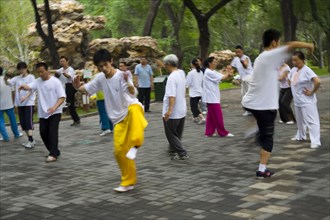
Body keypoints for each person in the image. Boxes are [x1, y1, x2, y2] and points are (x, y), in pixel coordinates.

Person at [242, 29, 314, 179]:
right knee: (268, 140)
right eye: (278, 42)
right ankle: (262, 170)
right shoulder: (270, 55)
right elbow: (293, 44)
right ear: (274, 42)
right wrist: (309, 45)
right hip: (264, 107)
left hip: (251, 103)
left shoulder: (261, 57)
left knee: (263, 129)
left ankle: (257, 133)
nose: (280, 45)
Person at [73, 49, 148, 193]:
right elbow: (87, 89)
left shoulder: (122, 75)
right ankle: (128, 181)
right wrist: (77, 87)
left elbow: (133, 93)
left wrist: (129, 83)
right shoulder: (100, 78)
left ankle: (136, 145)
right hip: (118, 119)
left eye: (105, 65)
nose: (104, 68)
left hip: (131, 110)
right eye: (100, 66)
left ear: (111, 61)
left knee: (135, 111)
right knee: (119, 151)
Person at [19, 62, 66, 163]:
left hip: (55, 111)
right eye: (38, 72)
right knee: (43, 132)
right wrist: (23, 86)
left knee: (52, 132)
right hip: (43, 112)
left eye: (42, 72)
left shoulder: (55, 82)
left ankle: (53, 154)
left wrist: (54, 107)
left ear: (47, 71)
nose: (40, 74)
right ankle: (54, 151)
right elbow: (29, 87)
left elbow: (62, 97)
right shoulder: (38, 81)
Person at [288, 51, 321, 149]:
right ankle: (300, 136)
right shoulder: (294, 70)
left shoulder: (307, 70)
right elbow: (290, 80)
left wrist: (312, 92)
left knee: (312, 121)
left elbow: (318, 81)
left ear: (302, 60)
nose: (294, 62)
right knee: (300, 121)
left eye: (296, 60)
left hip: (307, 101)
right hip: (297, 101)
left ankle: (316, 141)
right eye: (293, 60)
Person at [162, 54, 189, 160]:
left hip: (173, 112)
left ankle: (182, 152)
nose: (164, 66)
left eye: (165, 64)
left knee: (171, 134)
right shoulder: (181, 73)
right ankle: (172, 150)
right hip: (182, 109)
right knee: (177, 133)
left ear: (168, 64)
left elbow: (171, 95)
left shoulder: (171, 78)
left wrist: (169, 110)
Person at [6, 62, 36, 148]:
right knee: (23, 123)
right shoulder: (17, 78)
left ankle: (30, 140)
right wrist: (5, 77)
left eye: (22, 68)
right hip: (20, 104)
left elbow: (32, 89)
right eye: (19, 69)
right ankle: (31, 140)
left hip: (29, 103)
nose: (21, 70)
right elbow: (9, 83)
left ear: (26, 68)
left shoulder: (31, 77)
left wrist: (25, 97)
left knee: (28, 122)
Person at [202, 57, 234, 138]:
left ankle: (209, 132)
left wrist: (228, 72)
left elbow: (223, 76)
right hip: (212, 97)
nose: (216, 62)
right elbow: (223, 77)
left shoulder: (212, 71)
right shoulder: (209, 72)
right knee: (217, 115)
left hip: (212, 97)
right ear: (210, 63)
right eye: (214, 61)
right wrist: (228, 72)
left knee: (211, 116)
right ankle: (222, 132)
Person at [55, 56, 80, 126]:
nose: (62, 63)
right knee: (70, 106)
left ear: (67, 61)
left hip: (70, 87)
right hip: (63, 88)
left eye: (63, 61)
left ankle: (76, 118)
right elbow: (56, 75)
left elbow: (69, 77)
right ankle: (76, 119)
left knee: (70, 104)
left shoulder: (70, 69)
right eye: (61, 61)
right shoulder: (60, 70)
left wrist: (64, 73)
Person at [0, 67, 22, 141]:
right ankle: (16, 134)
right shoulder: (9, 81)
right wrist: (13, 102)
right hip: (9, 104)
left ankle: (5, 137)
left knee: (0, 121)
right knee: (13, 120)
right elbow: (13, 93)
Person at [230, 45, 254, 116]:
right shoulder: (235, 59)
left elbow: (245, 65)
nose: (237, 53)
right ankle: (249, 110)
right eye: (236, 52)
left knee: (247, 94)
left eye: (239, 51)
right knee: (244, 95)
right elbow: (232, 67)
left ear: (242, 51)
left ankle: (251, 110)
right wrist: (229, 72)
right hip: (243, 78)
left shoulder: (245, 58)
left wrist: (242, 62)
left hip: (249, 78)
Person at [186, 58, 205, 124]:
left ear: (192, 64)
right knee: (195, 106)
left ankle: (202, 118)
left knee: (193, 107)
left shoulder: (190, 73)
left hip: (194, 93)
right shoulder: (201, 72)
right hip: (200, 91)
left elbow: (187, 84)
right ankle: (194, 118)